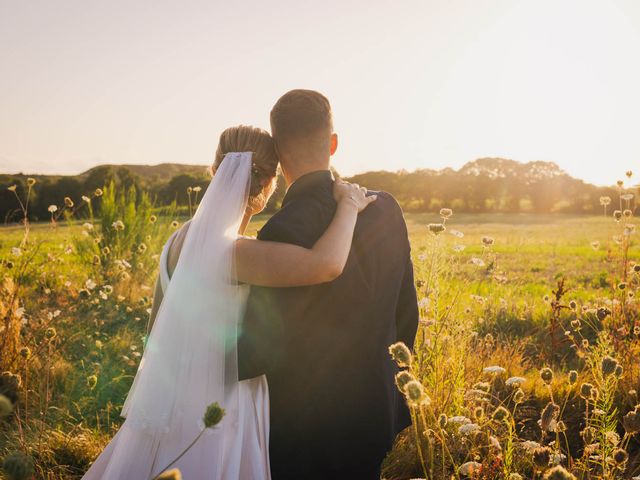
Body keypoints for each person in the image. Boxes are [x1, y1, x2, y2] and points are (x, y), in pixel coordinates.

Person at [82, 125, 375, 479]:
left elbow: (157, 326)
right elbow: (325, 265)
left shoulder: (179, 239)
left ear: (214, 170)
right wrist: (349, 205)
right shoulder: (234, 252)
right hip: (221, 406)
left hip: (169, 400)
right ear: (269, 185)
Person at [238, 89, 419, 480]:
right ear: (333, 143)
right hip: (374, 408)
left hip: (300, 427)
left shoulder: (278, 231)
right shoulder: (384, 208)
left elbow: (260, 345)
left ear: (278, 153)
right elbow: (407, 314)